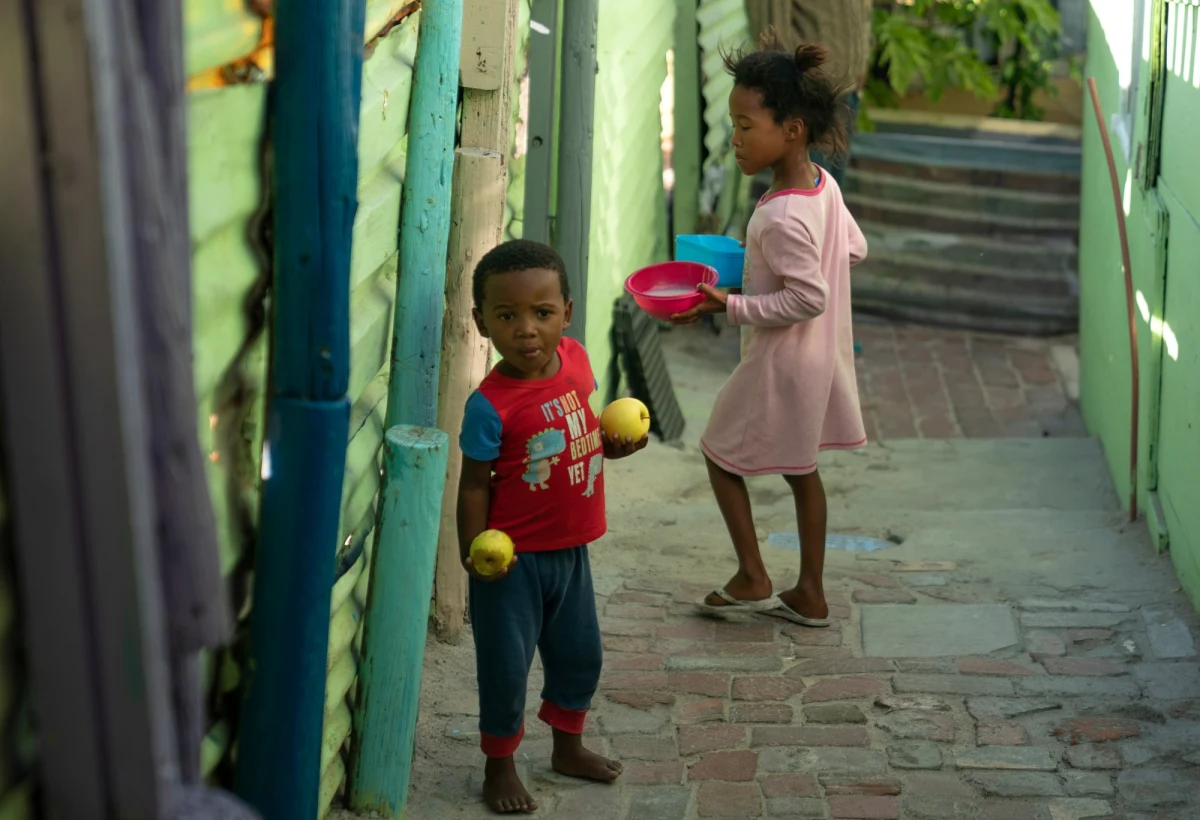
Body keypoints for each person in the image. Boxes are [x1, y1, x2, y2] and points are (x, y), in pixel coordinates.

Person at [671, 34, 868, 627]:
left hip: (780, 363)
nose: (734, 138)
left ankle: (754, 575)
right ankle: (811, 591)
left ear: (793, 130)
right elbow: (853, 248)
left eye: (744, 124)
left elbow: (808, 296)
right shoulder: (821, 188)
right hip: (819, 360)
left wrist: (729, 303)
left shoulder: (782, 212)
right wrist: (766, 266)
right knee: (801, 471)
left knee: (718, 453)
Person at [457, 239, 648, 814]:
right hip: (511, 563)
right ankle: (501, 767)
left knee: (579, 655)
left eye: (542, 314)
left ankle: (568, 747)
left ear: (566, 312)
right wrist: (473, 554)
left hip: (572, 551)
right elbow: (472, 485)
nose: (526, 330)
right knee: (506, 667)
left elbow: (580, 438)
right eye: (506, 316)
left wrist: (612, 448)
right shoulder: (490, 404)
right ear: (481, 321)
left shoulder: (579, 362)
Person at [744, 0, 873, 189]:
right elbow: (770, 28)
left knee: (830, 201)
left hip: (846, 93)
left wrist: (862, 60)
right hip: (807, 99)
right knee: (803, 201)